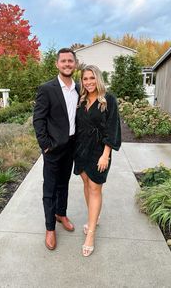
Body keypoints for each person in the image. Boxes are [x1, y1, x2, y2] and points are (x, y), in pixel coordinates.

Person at [33, 48, 79, 250]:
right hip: (53, 147)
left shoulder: (78, 88)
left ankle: (61, 214)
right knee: (50, 188)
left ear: (75, 64)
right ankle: (50, 228)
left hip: (71, 145)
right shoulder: (47, 88)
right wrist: (45, 145)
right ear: (57, 64)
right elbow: (39, 119)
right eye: (64, 61)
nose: (67, 64)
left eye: (70, 61)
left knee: (64, 184)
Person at [74, 65, 121, 257]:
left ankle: (91, 233)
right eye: (85, 79)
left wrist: (106, 154)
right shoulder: (81, 99)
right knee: (86, 184)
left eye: (92, 78)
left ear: (98, 79)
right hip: (80, 148)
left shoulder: (108, 100)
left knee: (95, 187)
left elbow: (112, 127)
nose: (89, 82)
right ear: (82, 81)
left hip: (99, 150)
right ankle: (94, 218)